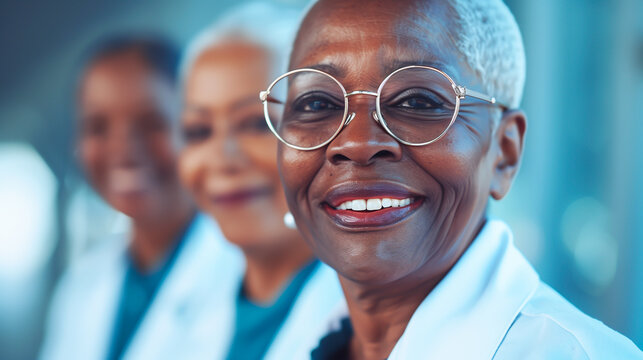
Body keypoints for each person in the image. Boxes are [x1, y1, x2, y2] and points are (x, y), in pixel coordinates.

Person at [259, 0, 643, 358]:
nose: (358, 143)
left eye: (417, 102)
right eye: (316, 104)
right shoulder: (295, 338)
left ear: (504, 153)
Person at [40, 36, 242, 360]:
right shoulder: (83, 281)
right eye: (97, 127)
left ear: (196, 130)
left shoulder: (246, 274)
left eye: (152, 124)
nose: (123, 151)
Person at [177, 3, 343, 360]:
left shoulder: (368, 318)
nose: (222, 158)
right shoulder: (185, 310)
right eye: (199, 131)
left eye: (255, 124)